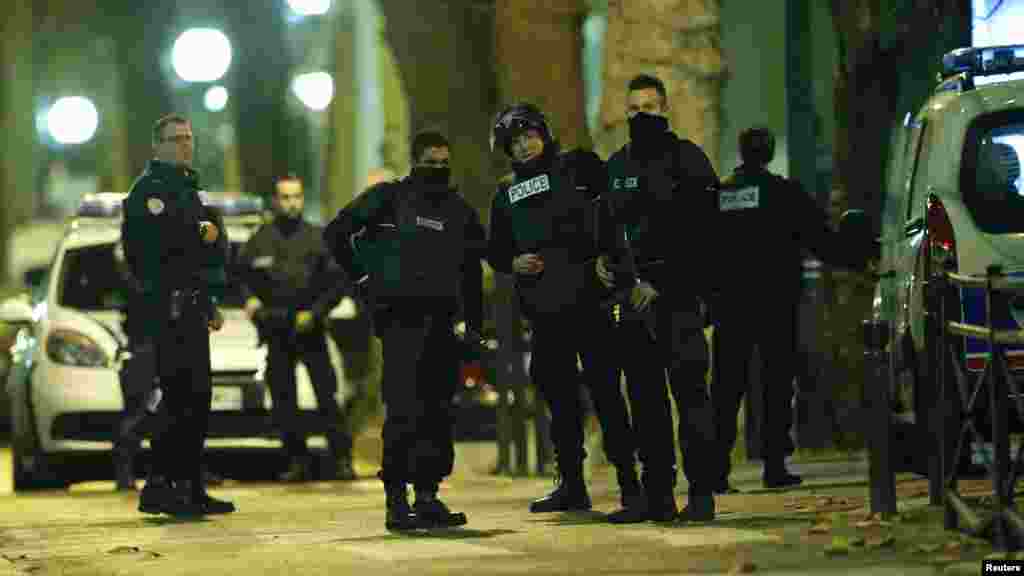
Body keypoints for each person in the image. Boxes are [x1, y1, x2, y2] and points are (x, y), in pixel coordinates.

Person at [325, 130, 486, 531]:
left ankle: (428, 496)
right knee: (403, 412)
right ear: (415, 161)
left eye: (443, 161)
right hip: (400, 324)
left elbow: (470, 273)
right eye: (430, 160)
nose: (438, 168)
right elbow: (336, 233)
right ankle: (397, 501)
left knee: (437, 413)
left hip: (444, 327)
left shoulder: (459, 211)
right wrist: (364, 280)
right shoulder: (388, 198)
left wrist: (475, 326)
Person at [486, 103, 641, 516]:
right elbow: (497, 249)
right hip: (544, 311)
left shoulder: (580, 167)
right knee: (561, 404)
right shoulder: (506, 193)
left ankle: (632, 488)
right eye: (514, 142)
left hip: (591, 302)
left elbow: (616, 213)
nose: (523, 146)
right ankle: (571, 486)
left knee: (607, 396)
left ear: (544, 132)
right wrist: (512, 263)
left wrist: (615, 263)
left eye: (528, 136)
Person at [710, 127, 876, 493]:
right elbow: (821, 241)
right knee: (776, 384)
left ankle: (716, 471)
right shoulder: (784, 193)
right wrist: (858, 251)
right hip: (775, 305)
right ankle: (774, 465)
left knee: (726, 388)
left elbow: (704, 249)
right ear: (768, 153)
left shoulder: (721, 194)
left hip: (730, 307)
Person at [597, 74, 720, 523]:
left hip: (678, 302)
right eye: (633, 109)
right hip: (632, 305)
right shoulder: (616, 166)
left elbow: (703, 234)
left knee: (691, 401)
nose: (640, 115)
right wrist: (606, 267)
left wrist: (661, 282)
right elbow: (607, 229)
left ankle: (702, 496)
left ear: (665, 109)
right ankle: (658, 497)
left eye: (649, 107)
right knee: (646, 405)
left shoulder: (688, 160)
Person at [122, 113, 235, 516]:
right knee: (176, 399)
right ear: (158, 145)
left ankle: (190, 485)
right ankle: (158, 484)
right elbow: (152, 249)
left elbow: (216, 247)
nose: (186, 144)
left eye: (189, 137)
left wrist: (209, 302)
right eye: (176, 139)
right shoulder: (148, 191)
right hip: (165, 311)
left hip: (191, 308)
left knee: (197, 399)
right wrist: (197, 233)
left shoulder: (193, 190)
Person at [238, 176, 354, 482]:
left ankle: (342, 460)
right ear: (276, 201)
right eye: (285, 197)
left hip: (310, 329)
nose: (291, 202)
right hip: (276, 330)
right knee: (284, 401)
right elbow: (239, 276)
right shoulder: (260, 239)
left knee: (327, 397)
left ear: (302, 199)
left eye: (296, 196)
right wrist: (249, 300)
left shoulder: (318, 238)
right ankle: (296, 461)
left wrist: (315, 313)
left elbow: (337, 284)